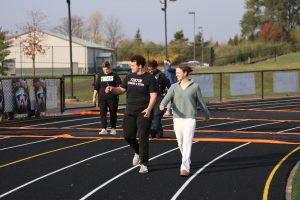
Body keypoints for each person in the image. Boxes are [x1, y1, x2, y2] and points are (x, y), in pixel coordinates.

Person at [105, 55, 158, 174]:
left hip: (144, 112)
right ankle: (138, 152)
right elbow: (121, 90)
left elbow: (153, 95)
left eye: (133, 65)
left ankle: (144, 163)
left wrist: (149, 109)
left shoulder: (150, 78)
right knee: (128, 135)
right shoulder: (129, 77)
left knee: (143, 137)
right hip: (130, 111)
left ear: (140, 66)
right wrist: (112, 89)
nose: (131, 67)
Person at [160, 64, 210, 177]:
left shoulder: (195, 86)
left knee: (187, 142)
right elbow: (167, 98)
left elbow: (201, 102)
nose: (176, 75)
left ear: (185, 73)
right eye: (176, 73)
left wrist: (207, 114)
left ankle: (185, 167)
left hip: (190, 118)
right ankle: (186, 159)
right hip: (177, 118)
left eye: (178, 73)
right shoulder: (173, 87)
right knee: (180, 143)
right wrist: (162, 104)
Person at [92, 61, 122, 135]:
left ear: (109, 68)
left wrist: (112, 88)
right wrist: (94, 97)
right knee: (102, 113)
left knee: (113, 113)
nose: (105, 70)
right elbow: (96, 87)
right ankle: (104, 128)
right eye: (104, 69)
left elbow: (120, 87)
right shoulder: (100, 75)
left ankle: (113, 128)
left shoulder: (115, 75)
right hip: (102, 98)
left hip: (113, 98)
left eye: (106, 69)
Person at [147, 60, 170, 138]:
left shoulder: (162, 76)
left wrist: (169, 97)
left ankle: (153, 130)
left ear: (156, 68)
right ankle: (158, 133)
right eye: (149, 69)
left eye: (151, 69)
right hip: (149, 98)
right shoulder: (147, 75)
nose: (150, 71)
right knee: (151, 116)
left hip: (159, 97)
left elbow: (169, 86)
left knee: (157, 115)